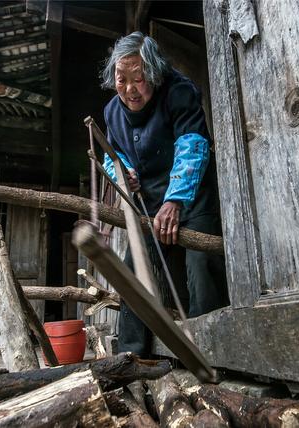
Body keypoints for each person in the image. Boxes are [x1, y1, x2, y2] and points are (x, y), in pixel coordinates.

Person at [100, 32, 229, 357]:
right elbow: (112, 154)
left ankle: (213, 356)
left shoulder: (179, 92)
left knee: (201, 270)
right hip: (149, 203)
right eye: (121, 79)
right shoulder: (112, 112)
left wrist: (175, 201)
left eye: (139, 79)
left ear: (154, 74)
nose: (129, 89)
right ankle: (130, 358)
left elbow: (193, 146)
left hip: (191, 196)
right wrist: (121, 173)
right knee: (135, 272)